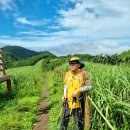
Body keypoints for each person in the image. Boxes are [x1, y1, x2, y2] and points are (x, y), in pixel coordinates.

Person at [60, 57, 92, 130]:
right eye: (70, 64)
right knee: (63, 124)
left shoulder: (83, 73)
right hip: (67, 103)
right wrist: (64, 94)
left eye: (74, 64)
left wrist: (79, 90)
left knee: (77, 126)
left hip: (78, 104)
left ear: (78, 65)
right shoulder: (67, 74)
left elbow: (89, 86)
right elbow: (65, 85)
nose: (71, 65)